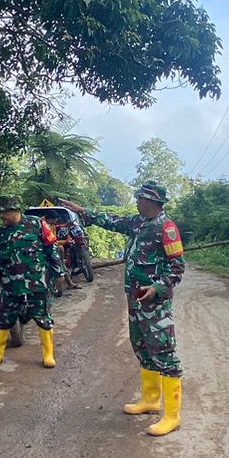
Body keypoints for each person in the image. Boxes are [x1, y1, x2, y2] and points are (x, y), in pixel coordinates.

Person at [61, 181, 186, 436]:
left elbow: (177, 268)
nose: (137, 202)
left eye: (140, 198)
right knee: (141, 347)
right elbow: (112, 221)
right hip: (135, 298)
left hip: (155, 304)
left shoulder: (166, 227)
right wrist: (82, 211)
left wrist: (158, 288)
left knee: (164, 353)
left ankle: (172, 416)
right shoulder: (138, 223)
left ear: (152, 200)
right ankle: (150, 400)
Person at [0, 195, 59, 370]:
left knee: (43, 318)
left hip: (36, 283)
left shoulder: (37, 224)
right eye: (0, 213)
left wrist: (57, 272)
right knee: (3, 319)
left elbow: (50, 248)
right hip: (10, 286)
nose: (1, 216)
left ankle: (48, 354)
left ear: (15, 210)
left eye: (4, 212)